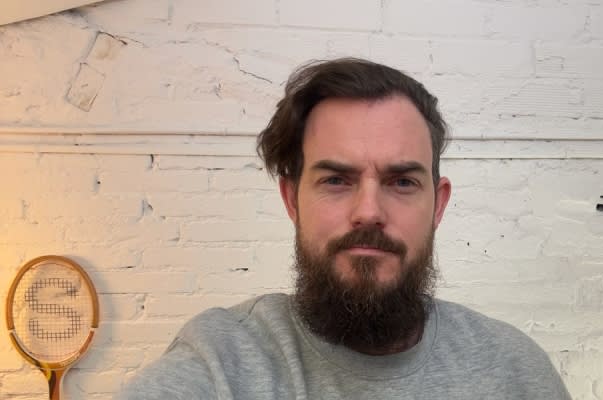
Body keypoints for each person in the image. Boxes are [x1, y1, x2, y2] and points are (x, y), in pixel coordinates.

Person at [115, 58, 571, 400]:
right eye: (336, 180)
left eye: (402, 182)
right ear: (292, 199)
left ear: (439, 204)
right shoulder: (222, 366)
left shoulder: (515, 372)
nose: (368, 212)